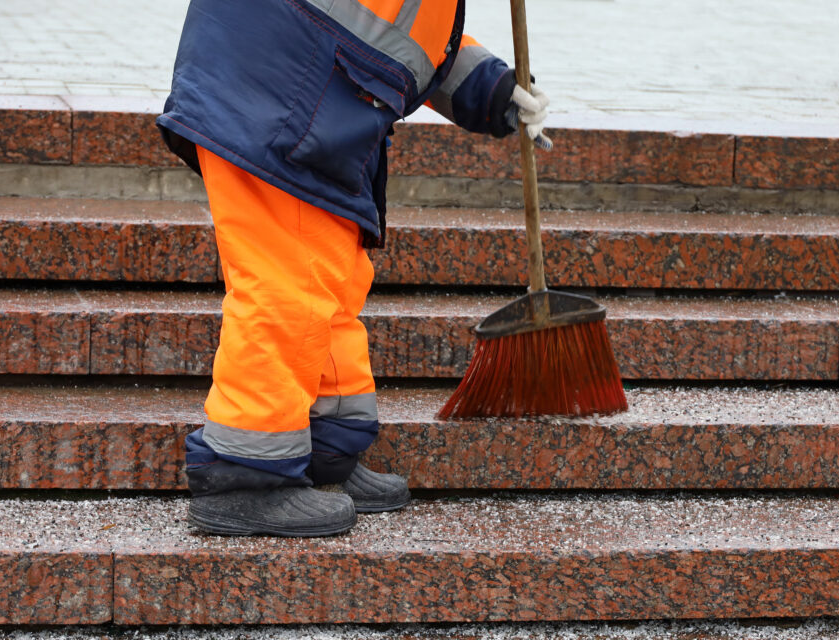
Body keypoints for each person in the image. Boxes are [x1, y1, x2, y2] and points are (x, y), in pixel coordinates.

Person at [157, 0, 551, 537]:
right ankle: (244, 475)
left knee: (332, 283)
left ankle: (326, 449)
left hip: (316, 93)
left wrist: (493, 89)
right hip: (280, 88)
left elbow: (400, 25)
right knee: (287, 287)